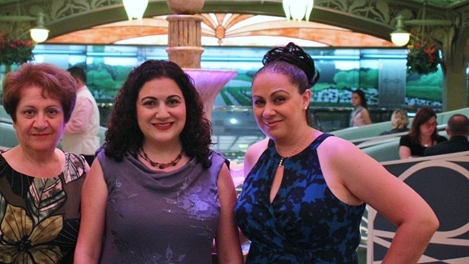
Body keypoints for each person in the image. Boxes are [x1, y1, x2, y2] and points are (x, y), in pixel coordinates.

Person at [235, 42, 438, 263]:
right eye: (259, 102)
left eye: (279, 99)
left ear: (305, 99)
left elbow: (420, 220)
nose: (267, 111)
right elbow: (256, 227)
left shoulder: (336, 153)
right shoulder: (255, 155)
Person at [74, 60, 242, 264]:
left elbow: (230, 256)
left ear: (187, 106)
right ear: (133, 110)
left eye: (172, 101)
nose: (162, 113)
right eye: (150, 103)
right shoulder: (106, 165)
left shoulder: (214, 169)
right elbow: (87, 252)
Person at [0, 63, 88, 264]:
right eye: (29, 112)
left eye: (52, 112)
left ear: (65, 118)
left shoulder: (80, 171)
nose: (40, 123)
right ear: (14, 120)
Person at [62, 66, 100, 166]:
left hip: (82, 151)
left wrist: (58, 127)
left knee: (81, 181)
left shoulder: (83, 99)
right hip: (78, 150)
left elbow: (79, 125)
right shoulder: (80, 97)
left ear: (77, 82)